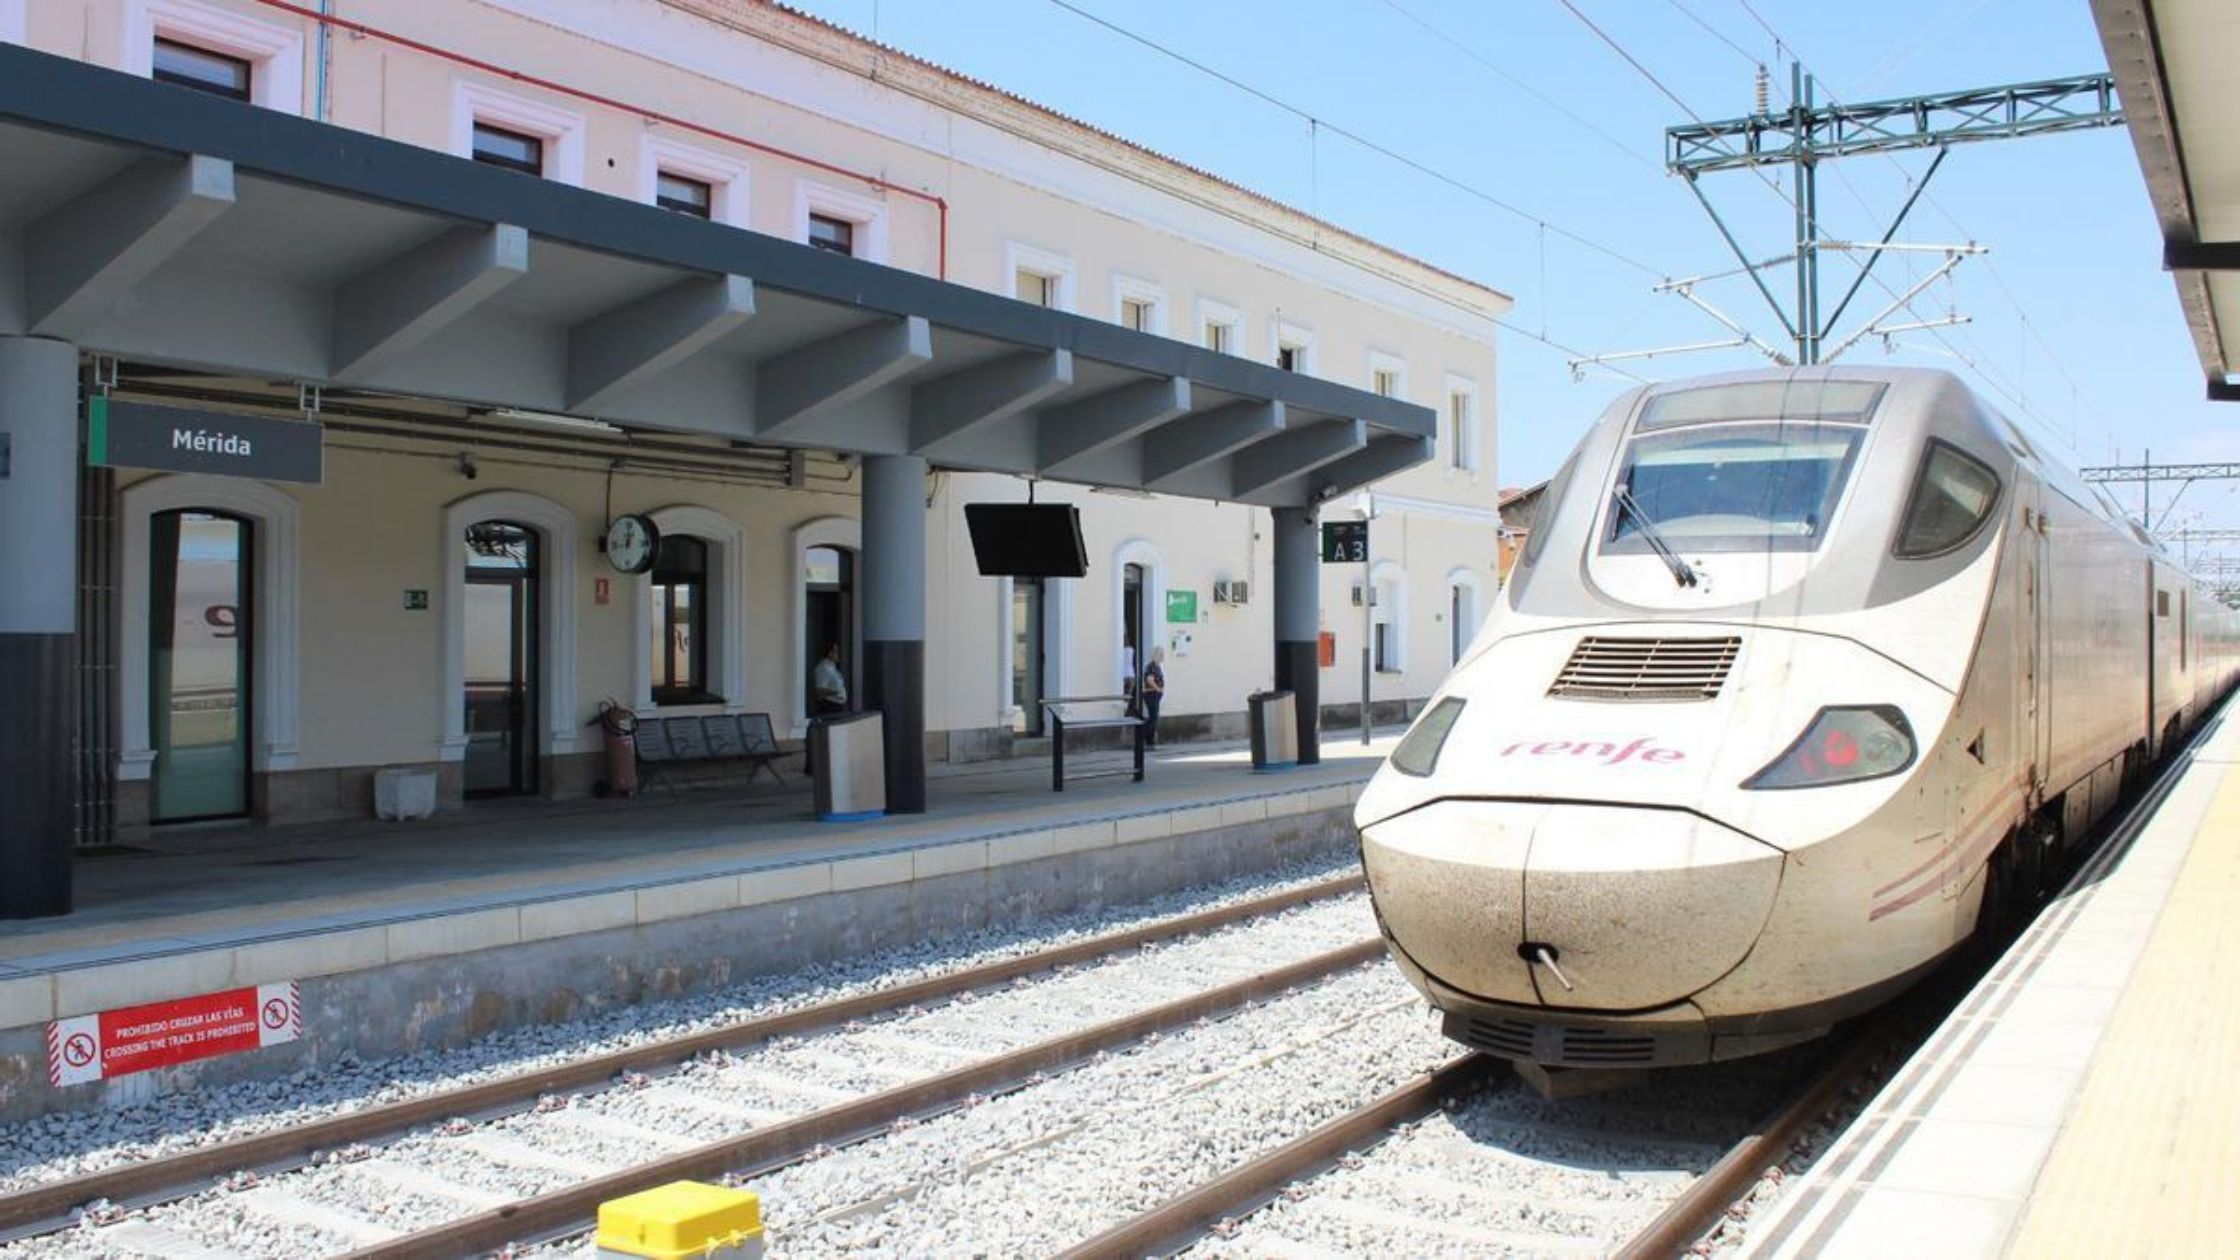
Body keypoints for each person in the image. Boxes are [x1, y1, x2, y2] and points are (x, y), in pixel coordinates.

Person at [806, 643, 847, 773]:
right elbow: (819, 690)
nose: (838, 654)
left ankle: (833, 765)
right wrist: (837, 693)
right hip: (829, 706)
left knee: (836, 737)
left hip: (838, 705)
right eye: (835, 651)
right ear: (829, 653)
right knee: (829, 736)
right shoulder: (823, 668)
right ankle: (822, 766)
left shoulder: (833, 667)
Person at [1140, 646, 1166, 748]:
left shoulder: (1157, 666)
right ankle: (1143, 736)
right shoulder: (1151, 666)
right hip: (1151, 694)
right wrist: (1158, 689)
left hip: (1154, 695)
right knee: (1153, 717)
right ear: (1158, 655)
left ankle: (1149, 741)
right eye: (1162, 654)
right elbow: (1149, 680)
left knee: (1153, 717)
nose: (1164, 656)